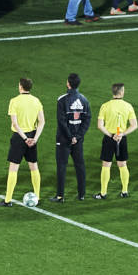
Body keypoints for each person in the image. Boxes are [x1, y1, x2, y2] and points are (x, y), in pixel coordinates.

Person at [1, 77, 44, 206]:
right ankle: (38, 197)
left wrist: (24, 138)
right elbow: (42, 121)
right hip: (32, 136)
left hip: (20, 137)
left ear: (20, 87)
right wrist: (34, 139)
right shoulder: (36, 101)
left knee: (13, 168)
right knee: (34, 167)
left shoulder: (14, 101)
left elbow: (15, 122)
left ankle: (8, 200)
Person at [95, 82, 138, 199]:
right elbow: (134, 125)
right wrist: (122, 134)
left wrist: (110, 135)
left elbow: (100, 125)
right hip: (121, 139)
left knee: (106, 165)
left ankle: (103, 193)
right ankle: (124, 191)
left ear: (113, 92)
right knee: (123, 164)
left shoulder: (105, 106)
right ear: (122, 92)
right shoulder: (128, 106)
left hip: (109, 139)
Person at [54, 73, 91, 201]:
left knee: (62, 166)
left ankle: (60, 196)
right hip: (78, 140)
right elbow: (87, 119)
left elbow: (62, 121)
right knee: (80, 166)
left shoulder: (62, 100)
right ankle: (81, 195)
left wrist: (70, 137)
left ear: (68, 84)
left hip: (64, 139)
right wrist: (78, 136)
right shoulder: (84, 100)